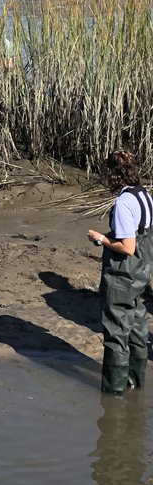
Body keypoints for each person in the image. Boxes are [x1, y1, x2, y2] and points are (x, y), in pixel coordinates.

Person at [86, 148, 153, 395]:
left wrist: (101, 239)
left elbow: (127, 247)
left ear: (114, 174)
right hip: (142, 269)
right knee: (137, 324)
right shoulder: (145, 195)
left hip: (123, 273)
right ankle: (136, 383)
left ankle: (114, 392)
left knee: (115, 330)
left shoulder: (124, 202)